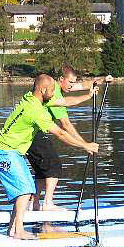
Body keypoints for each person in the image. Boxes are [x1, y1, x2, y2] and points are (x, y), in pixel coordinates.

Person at [0, 74, 99, 239]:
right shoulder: (35, 110)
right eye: (51, 90)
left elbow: (64, 102)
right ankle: (18, 231)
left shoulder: (31, 98)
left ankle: (12, 230)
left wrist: (88, 95)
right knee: (25, 190)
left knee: (26, 189)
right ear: (43, 90)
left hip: (12, 151)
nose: (54, 93)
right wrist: (85, 145)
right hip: (5, 152)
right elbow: (60, 133)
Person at [26, 66, 113, 211]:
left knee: (42, 170)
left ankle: (34, 204)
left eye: (73, 83)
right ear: (61, 80)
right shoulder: (52, 93)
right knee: (53, 165)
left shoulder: (56, 86)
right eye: (70, 83)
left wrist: (103, 80)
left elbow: (83, 85)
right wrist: (85, 144)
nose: (72, 86)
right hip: (34, 133)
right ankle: (48, 204)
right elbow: (66, 125)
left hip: (32, 133)